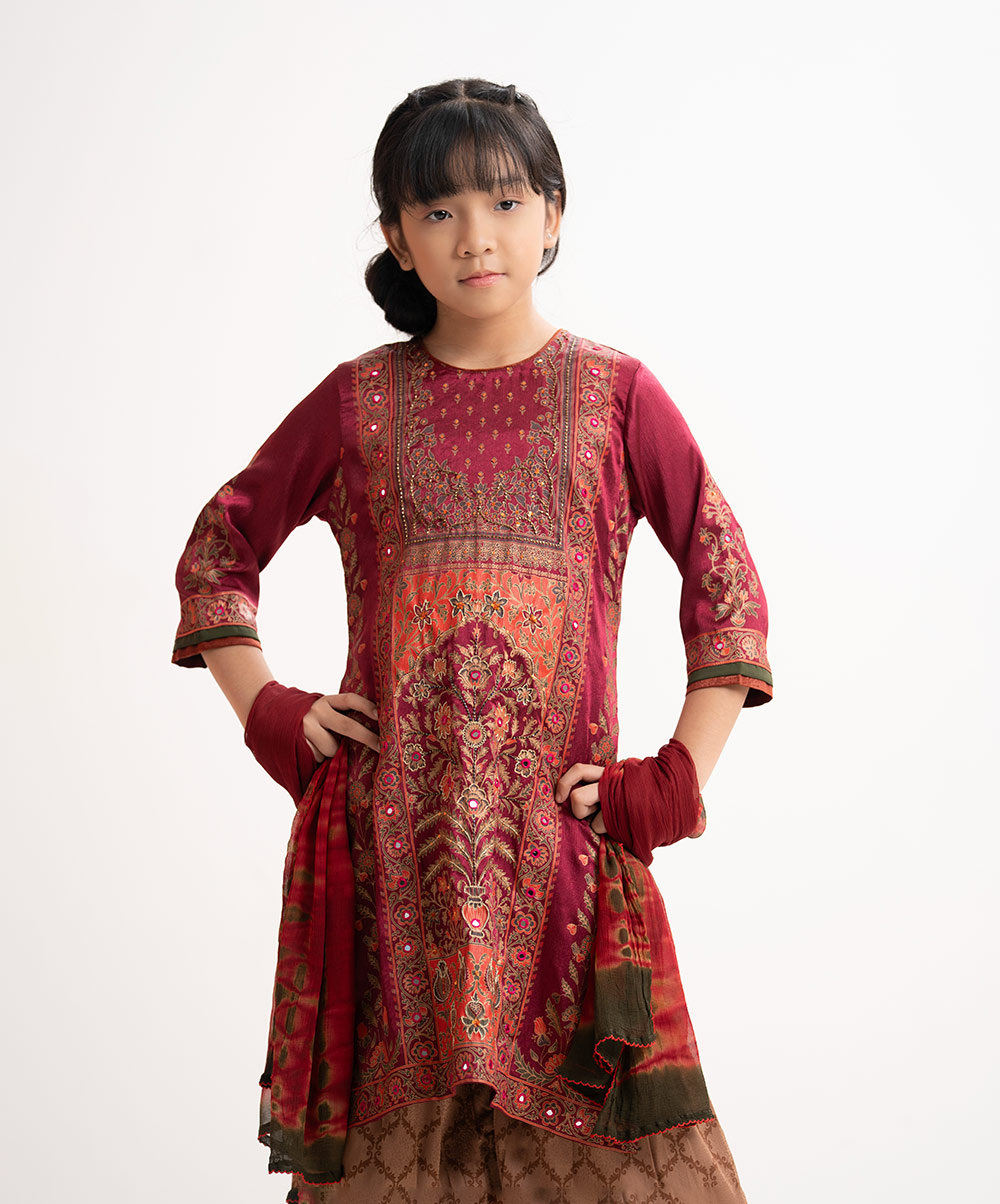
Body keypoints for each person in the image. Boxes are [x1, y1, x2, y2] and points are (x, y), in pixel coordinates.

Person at [171, 78, 772, 1204]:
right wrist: (273, 711)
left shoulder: (617, 396)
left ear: (552, 214)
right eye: (437, 210)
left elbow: (724, 577)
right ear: (398, 237)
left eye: (503, 201)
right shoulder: (357, 402)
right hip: (392, 873)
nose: (475, 237)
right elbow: (220, 549)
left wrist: (672, 781)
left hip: (568, 863)